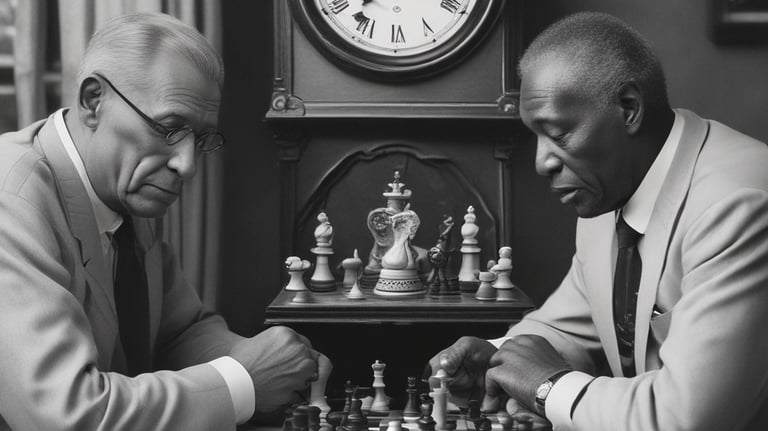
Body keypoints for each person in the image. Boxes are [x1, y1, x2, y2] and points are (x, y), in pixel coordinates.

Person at [428, 12, 768, 431]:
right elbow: (570, 327)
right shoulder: (609, 191)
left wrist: (547, 386)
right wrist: (498, 358)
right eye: (536, 136)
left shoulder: (738, 205)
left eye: (558, 134)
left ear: (629, 109)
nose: (541, 162)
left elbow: (687, 418)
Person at [0, 12, 325, 430]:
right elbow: (68, 415)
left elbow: (177, 333)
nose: (187, 165)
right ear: (93, 102)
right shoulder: (12, 201)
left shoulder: (125, 189)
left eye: (201, 139)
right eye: (169, 129)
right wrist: (243, 381)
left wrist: (265, 361)